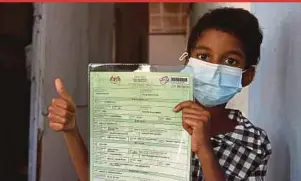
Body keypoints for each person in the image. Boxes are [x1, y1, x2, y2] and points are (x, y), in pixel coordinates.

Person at [48, 7, 272, 181]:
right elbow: (94, 177)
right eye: (204, 57)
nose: (213, 68)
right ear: (187, 61)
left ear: (246, 76)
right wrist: (71, 131)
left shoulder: (253, 142)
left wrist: (204, 148)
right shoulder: (151, 114)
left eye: (230, 61)